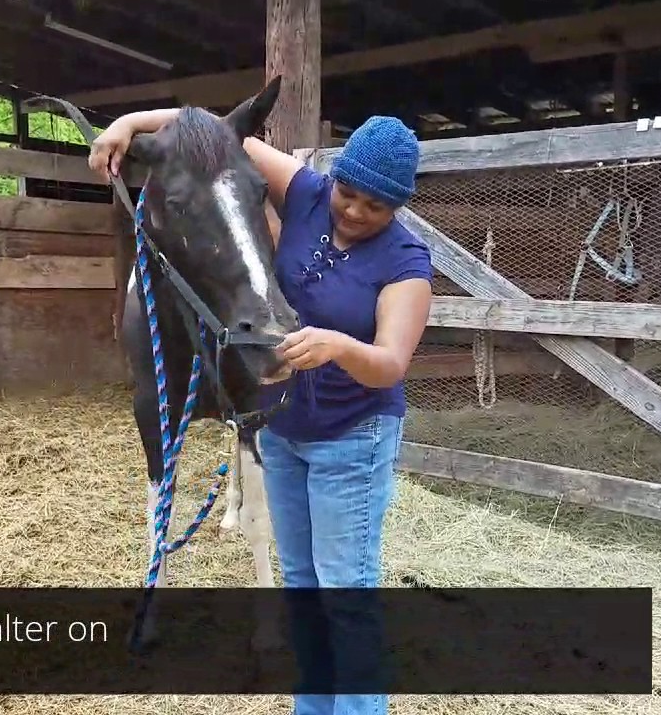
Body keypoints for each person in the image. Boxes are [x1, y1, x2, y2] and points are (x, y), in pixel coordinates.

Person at [89, 110, 433, 715]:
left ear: (398, 208)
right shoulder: (306, 192)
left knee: (344, 591)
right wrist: (125, 124)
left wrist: (340, 347)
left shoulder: (405, 263)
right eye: (347, 194)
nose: (353, 212)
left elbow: (391, 364)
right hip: (283, 430)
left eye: (374, 207)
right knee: (301, 583)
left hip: (351, 438)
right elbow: (213, 128)